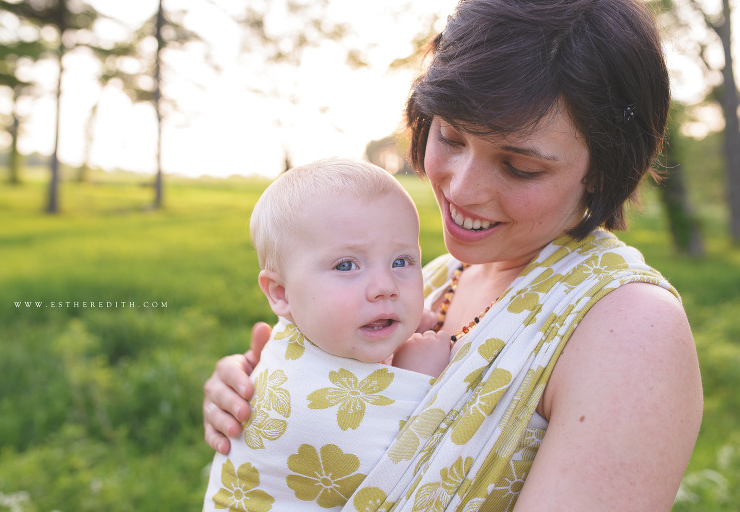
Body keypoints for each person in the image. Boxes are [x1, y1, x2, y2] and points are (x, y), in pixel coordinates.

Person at [203, 1, 704, 510]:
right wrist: (266, 400)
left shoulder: (632, 328)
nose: (463, 189)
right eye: (450, 137)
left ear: (603, 168)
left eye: (520, 167)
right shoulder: (433, 278)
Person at [203, 158, 451, 511]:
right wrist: (415, 381)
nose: (385, 287)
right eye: (346, 265)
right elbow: (400, 469)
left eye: (401, 261)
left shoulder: (319, 331)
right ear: (280, 293)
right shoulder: (300, 401)